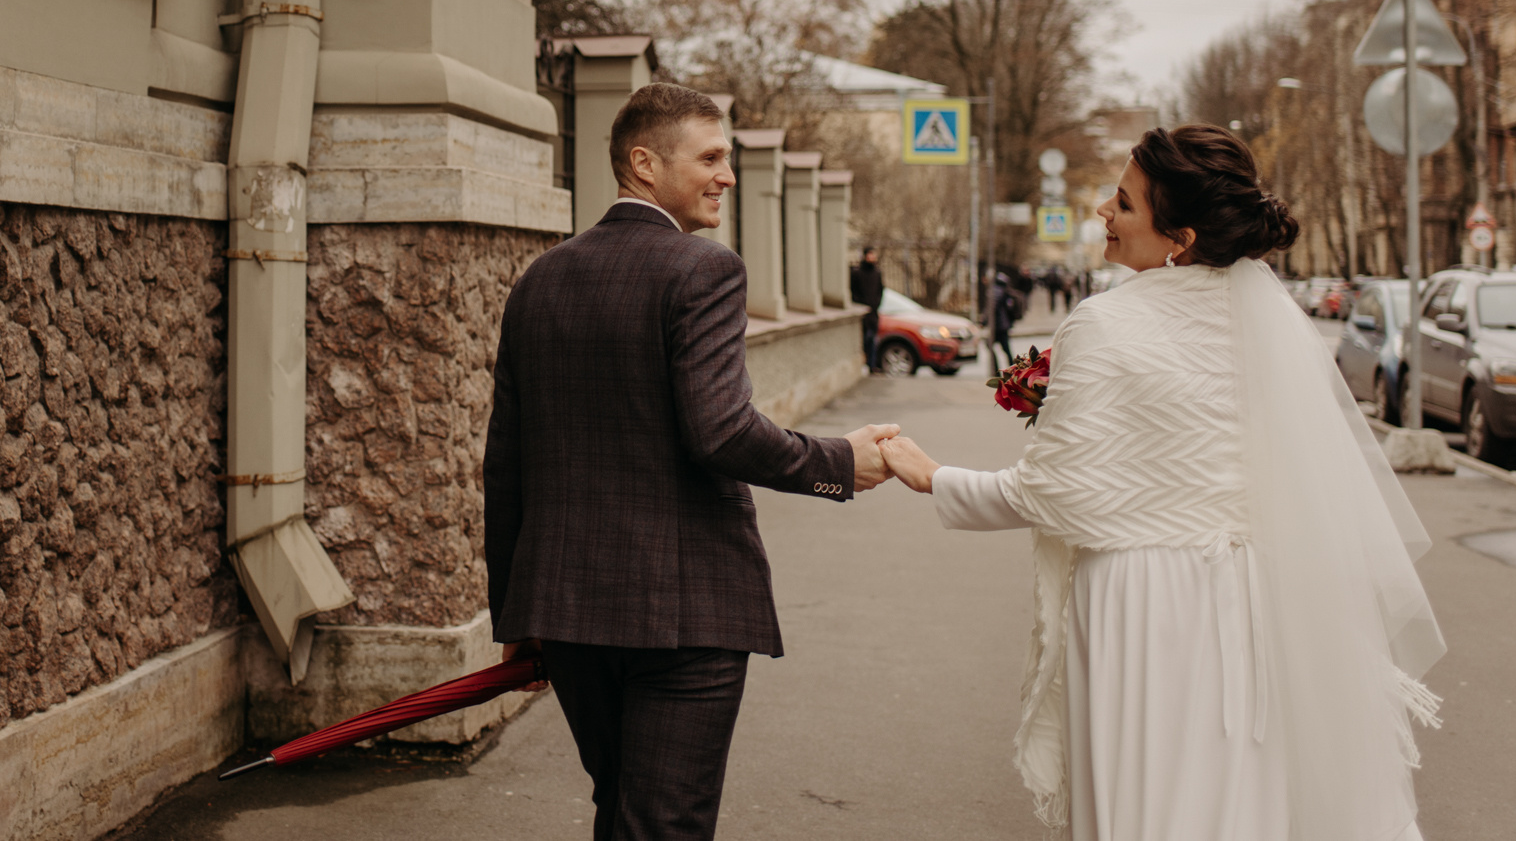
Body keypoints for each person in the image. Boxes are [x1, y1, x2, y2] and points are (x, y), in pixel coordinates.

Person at [878, 126, 1444, 841]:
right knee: (1245, 799)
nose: (1102, 215)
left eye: (1122, 204)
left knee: (1149, 802)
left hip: (1145, 602)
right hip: (1261, 599)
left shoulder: (1107, 322)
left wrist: (935, 478)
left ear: (1178, 234)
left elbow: (1050, 491)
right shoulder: (1266, 319)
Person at [484, 83, 901, 840]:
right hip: (682, 614)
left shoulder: (537, 281)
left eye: (731, 158)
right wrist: (838, 461)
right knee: (663, 826)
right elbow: (721, 431)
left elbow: (507, 461)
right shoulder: (701, 269)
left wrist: (519, 605)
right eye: (710, 157)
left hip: (567, 612)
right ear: (644, 164)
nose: (728, 176)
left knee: (623, 812)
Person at [849, 245, 887, 372]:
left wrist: (876, 304)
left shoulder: (877, 273)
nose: (872, 257)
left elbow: (880, 290)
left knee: (872, 340)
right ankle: (863, 363)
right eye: (870, 254)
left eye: (873, 254)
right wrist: (861, 304)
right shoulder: (857, 272)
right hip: (862, 312)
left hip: (873, 312)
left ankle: (872, 365)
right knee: (864, 339)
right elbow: (853, 291)